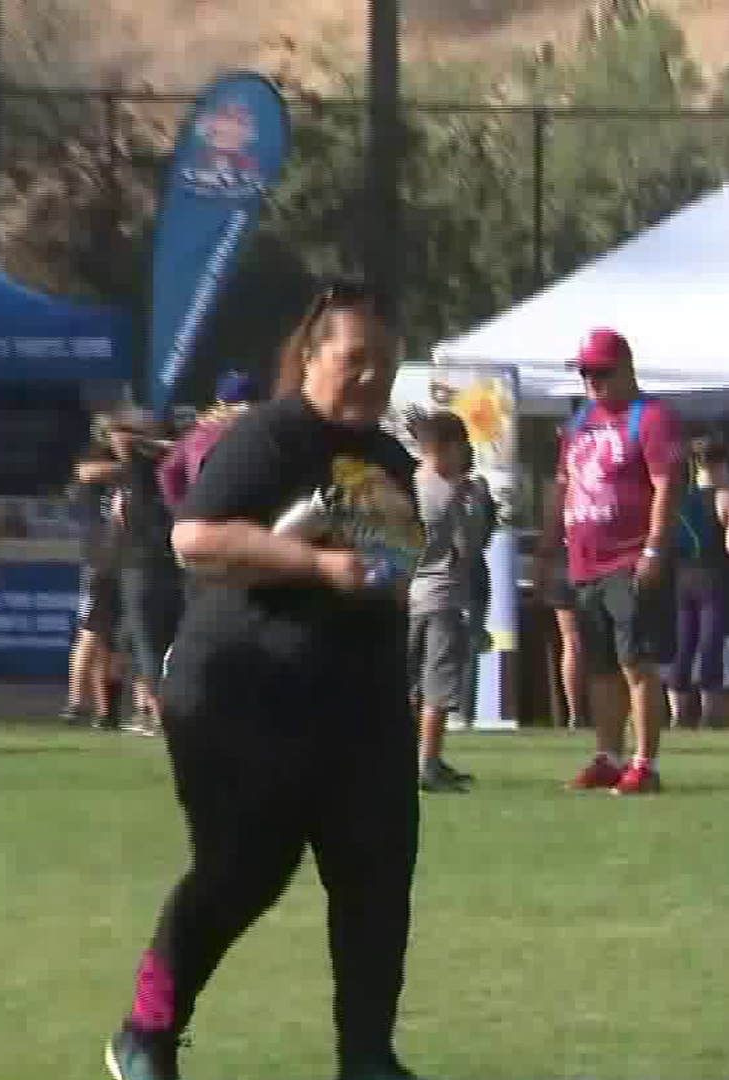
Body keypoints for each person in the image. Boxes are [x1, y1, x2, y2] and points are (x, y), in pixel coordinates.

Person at [103, 281, 429, 1080]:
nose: (370, 378)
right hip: (248, 703)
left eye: (384, 364)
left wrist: (390, 566)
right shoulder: (273, 435)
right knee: (239, 876)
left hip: (362, 709)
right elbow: (195, 539)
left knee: (377, 878)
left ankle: (367, 1057)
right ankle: (145, 1031)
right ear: (312, 357)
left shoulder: (386, 456)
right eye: (354, 361)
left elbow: (397, 562)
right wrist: (314, 560)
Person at [536, 328, 679, 795]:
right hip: (584, 562)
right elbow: (563, 487)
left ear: (625, 369)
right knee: (599, 665)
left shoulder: (650, 417)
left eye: (600, 372)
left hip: (629, 557)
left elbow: (667, 485)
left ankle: (645, 762)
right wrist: (546, 545)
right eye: (584, 373)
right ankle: (607, 754)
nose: (592, 382)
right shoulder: (580, 423)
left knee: (635, 661)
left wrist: (654, 548)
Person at [407, 409, 494, 793]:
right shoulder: (449, 494)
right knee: (437, 686)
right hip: (442, 596)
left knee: (409, 684)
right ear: (450, 447)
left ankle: (407, 759)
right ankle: (428, 762)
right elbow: (468, 548)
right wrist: (480, 508)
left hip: (407, 596)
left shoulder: (408, 484)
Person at [104, 408, 183, 736]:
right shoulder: (171, 465)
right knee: (127, 639)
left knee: (149, 642)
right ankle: (135, 708)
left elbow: (122, 440)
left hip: (145, 564)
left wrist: (137, 437)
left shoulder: (145, 467)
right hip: (154, 561)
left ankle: (163, 714)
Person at [666, 433, 729, 728]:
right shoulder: (726, 498)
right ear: (721, 464)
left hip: (682, 577)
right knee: (710, 643)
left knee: (683, 643)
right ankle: (710, 714)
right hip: (713, 576)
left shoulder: (677, 498)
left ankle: (677, 714)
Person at [63, 414, 125, 728]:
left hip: (122, 560)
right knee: (90, 633)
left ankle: (106, 710)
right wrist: (132, 465)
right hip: (99, 562)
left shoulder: (126, 470)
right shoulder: (94, 461)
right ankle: (76, 702)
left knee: (111, 641)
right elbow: (86, 473)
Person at [157, 370, 258, 512]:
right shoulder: (255, 424)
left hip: (205, 510)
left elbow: (167, 471)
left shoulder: (197, 431)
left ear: (219, 399)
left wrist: (182, 510)